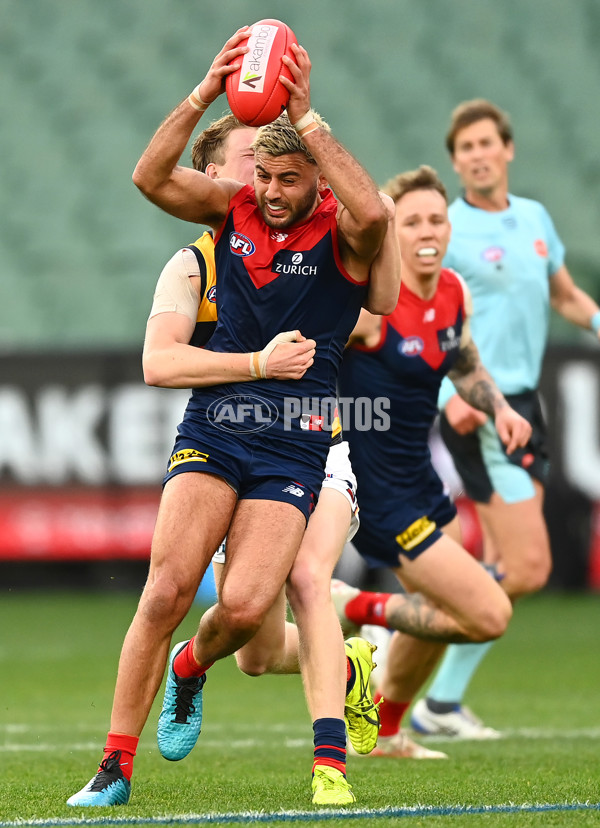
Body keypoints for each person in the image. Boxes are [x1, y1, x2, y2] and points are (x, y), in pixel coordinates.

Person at [67, 28, 392, 809]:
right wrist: (201, 93)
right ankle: (114, 765)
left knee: (245, 611)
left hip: (295, 445)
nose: (272, 191)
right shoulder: (231, 212)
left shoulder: (343, 238)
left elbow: (375, 214)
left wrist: (310, 119)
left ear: (314, 176)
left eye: (288, 178)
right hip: (216, 425)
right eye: (266, 176)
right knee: (166, 589)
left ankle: (189, 666)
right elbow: (149, 178)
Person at [143, 111, 388, 767]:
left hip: (319, 439)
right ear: (214, 176)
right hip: (233, 442)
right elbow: (160, 363)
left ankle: (329, 762)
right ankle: (345, 663)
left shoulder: (315, 237)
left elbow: (372, 313)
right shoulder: (196, 262)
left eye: (277, 168)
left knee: (307, 578)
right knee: (250, 642)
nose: (265, 180)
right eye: (251, 162)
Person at [409, 99, 600, 740]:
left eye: (487, 142)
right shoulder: (448, 230)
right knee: (527, 569)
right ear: (457, 160)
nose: (478, 155)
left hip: (526, 402)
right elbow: (422, 318)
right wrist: (449, 400)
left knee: (502, 566)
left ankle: (439, 703)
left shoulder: (534, 219)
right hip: (479, 408)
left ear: (508, 149)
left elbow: (565, 295)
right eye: (466, 148)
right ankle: (400, 632)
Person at [331, 164, 532, 758]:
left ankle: (386, 731)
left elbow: (463, 362)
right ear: (388, 231)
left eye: (436, 219)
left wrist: (498, 408)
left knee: (443, 614)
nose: (426, 230)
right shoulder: (367, 308)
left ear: (450, 228)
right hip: (378, 496)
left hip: (420, 483)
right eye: (410, 219)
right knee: (488, 614)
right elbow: (306, 356)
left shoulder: (452, 291)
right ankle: (354, 606)